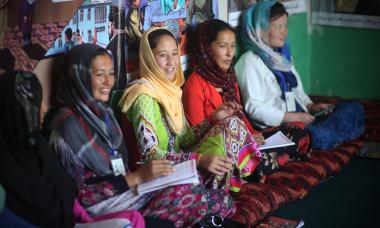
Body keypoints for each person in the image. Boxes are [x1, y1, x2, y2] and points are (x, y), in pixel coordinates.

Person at [45, 43, 234, 227]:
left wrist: (212, 121)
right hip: (102, 209)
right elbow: (76, 198)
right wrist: (137, 178)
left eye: (111, 74)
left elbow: (179, 141)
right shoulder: (67, 130)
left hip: (132, 189)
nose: (108, 82)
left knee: (212, 195)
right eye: (99, 75)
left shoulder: (105, 116)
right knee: (207, 200)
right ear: (78, 77)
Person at [119, 27, 261, 192]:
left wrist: (213, 119)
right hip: (156, 177)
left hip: (180, 167)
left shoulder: (170, 91)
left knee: (231, 123)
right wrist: (198, 159)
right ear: (149, 58)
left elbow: (183, 140)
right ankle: (223, 190)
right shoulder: (143, 97)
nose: (171, 62)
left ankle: (229, 185)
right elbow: (150, 154)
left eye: (174, 53)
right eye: (162, 55)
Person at [182, 19, 311, 182]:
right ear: (206, 49)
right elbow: (196, 137)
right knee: (261, 159)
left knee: (298, 131)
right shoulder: (195, 84)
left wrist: (253, 135)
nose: (230, 53)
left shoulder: (228, 78)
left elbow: (241, 117)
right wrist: (241, 138)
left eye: (233, 46)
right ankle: (257, 167)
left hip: (243, 143)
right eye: (222, 46)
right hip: (220, 150)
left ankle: (259, 165)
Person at [235, 1, 364, 150]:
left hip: (302, 119)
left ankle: (318, 137)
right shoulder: (250, 61)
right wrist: (292, 117)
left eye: (286, 26)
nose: (284, 32)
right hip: (278, 127)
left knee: (354, 107)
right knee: (317, 132)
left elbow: (298, 93)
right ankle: (315, 138)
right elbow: (255, 109)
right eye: (278, 27)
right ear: (260, 28)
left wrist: (312, 106)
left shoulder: (282, 57)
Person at [0, 71, 76, 227]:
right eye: (33, 102)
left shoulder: (37, 145)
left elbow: (68, 191)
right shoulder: (4, 163)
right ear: (13, 110)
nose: (44, 109)